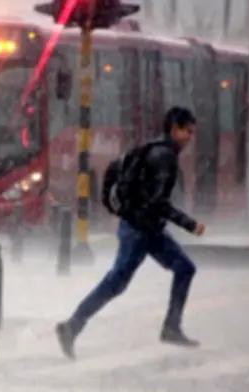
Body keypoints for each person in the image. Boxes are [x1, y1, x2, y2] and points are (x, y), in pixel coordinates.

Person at [56, 106, 205, 360]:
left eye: (192, 132)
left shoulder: (151, 148)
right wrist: (189, 224)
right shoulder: (165, 156)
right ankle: (72, 326)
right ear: (174, 129)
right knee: (117, 282)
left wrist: (127, 210)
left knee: (182, 268)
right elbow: (158, 202)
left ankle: (171, 326)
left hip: (142, 227)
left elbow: (120, 172)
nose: (190, 137)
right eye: (187, 131)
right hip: (140, 230)